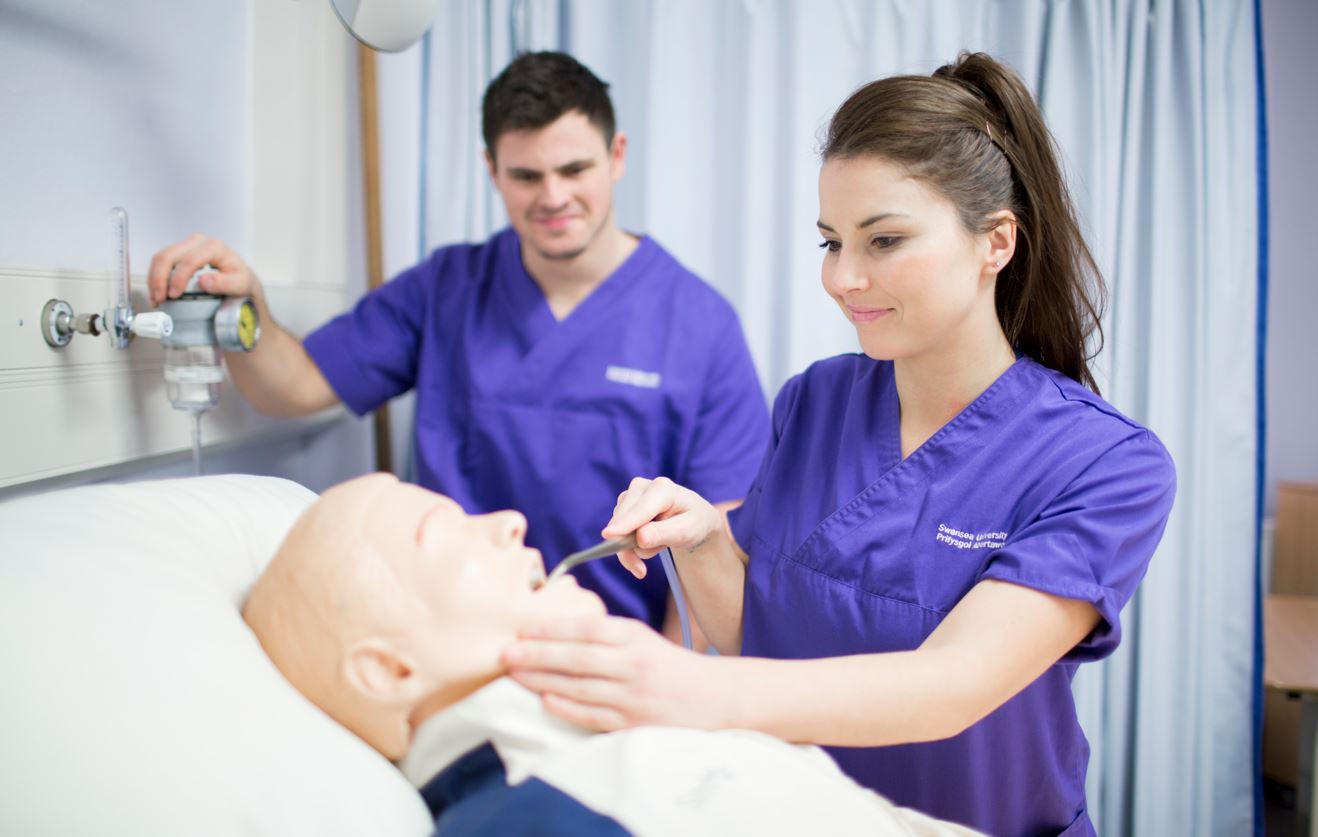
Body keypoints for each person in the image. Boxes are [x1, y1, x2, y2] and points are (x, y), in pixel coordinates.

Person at [498, 52, 1178, 837]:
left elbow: (952, 684)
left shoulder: (1104, 464)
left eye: (883, 240)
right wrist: (706, 537)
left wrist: (684, 688)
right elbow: (764, 635)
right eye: (831, 242)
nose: (843, 278)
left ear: (995, 242)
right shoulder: (815, 400)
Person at [147, 51, 769, 636]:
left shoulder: (700, 324)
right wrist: (248, 308)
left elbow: (715, 541)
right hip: (444, 638)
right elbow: (296, 385)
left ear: (617, 155)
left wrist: (659, 694)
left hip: (608, 650)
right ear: (492, 170)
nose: (553, 198)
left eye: (574, 169)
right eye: (526, 175)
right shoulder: (447, 288)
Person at [242, 472, 983, 836]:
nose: (507, 520)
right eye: (446, 530)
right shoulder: (528, 817)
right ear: (389, 669)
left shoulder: (612, 749)